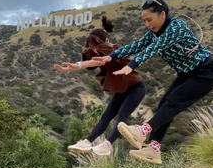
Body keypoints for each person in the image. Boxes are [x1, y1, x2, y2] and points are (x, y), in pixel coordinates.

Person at [93, 0, 213, 164]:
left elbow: (156, 47)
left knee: (173, 101)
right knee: (163, 104)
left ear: (162, 14)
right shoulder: (153, 33)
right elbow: (136, 45)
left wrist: (132, 65)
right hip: (186, 73)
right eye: (144, 21)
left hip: (205, 72)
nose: (147, 24)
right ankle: (154, 149)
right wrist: (111, 56)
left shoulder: (176, 27)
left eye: (149, 19)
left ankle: (143, 131)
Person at [54, 16, 145, 156]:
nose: (95, 50)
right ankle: (87, 141)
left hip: (136, 88)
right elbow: (92, 60)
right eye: (92, 47)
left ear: (107, 41)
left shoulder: (117, 50)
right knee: (106, 116)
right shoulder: (100, 53)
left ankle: (107, 145)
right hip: (121, 90)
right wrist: (70, 68)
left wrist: (78, 66)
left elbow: (98, 62)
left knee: (121, 117)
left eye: (97, 46)